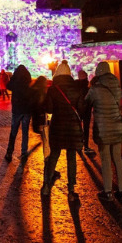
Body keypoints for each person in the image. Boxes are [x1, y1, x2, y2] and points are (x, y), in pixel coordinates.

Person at [43, 62, 85, 203]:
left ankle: (46, 186)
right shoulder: (77, 88)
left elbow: (48, 109)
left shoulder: (53, 89)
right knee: (71, 157)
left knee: (54, 155)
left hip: (58, 126)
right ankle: (71, 190)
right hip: (72, 127)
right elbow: (82, 109)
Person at [87, 61, 122, 200]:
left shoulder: (95, 88)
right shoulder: (116, 84)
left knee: (105, 159)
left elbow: (87, 102)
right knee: (118, 158)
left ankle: (108, 191)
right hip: (116, 125)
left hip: (103, 127)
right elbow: (119, 101)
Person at [6, 65, 35, 162]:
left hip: (17, 110)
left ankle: (9, 152)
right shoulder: (28, 83)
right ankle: (24, 152)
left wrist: (14, 77)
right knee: (25, 132)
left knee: (13, 131)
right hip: (27, 110)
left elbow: (8, 86)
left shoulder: (15, 83)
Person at [76, 68, 97, 158]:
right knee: (86, 129)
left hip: (78, 110)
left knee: (78, 128)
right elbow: (91, 100)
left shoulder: (75, 87)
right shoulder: (88, 88)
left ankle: (78, 145)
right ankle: (86, 146)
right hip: (87, 111)